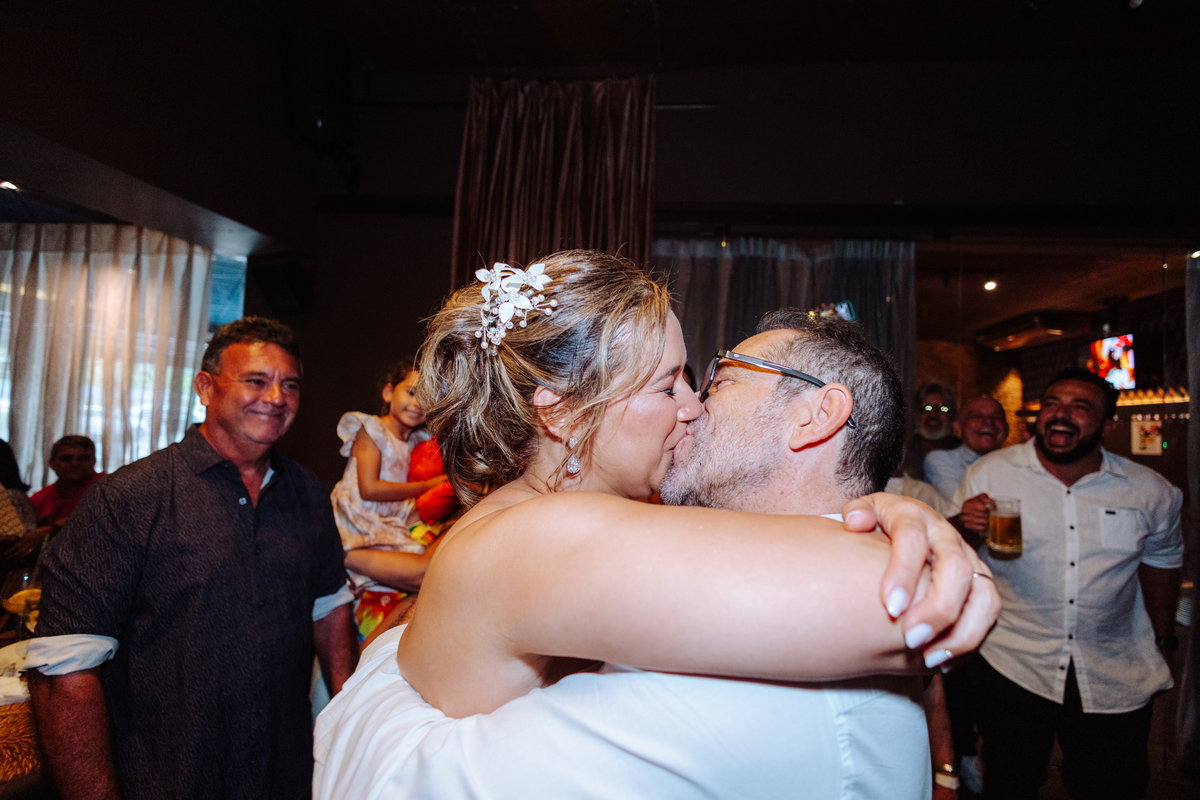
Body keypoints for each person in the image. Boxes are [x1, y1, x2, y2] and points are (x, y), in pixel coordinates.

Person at [314, 252, 1000, 797]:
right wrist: (918, 543)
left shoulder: (571, 522)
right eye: (668, 384)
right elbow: (902, 596)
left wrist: (878, 507)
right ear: (560, 412)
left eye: (707, 382)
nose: (690, 407)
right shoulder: (539, 535)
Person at [26, 317, 359, 800]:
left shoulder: (307, 491)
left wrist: (347, 723)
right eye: (256, 381)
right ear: (205, 387)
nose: (276, 397)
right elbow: (64, 669)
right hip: (168, 775)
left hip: (283, 772)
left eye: (289, 384)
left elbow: (329, 606)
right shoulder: (129, 498)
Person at [954, 367, 1183, 800]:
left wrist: (1164, 636)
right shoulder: (990, 473)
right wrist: (963, 524)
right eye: (1053, 403)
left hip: (1114, 668)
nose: (1062, 415)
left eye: (1081, 407)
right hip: (1013, 662)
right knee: (1009, 782)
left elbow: (1162, 562)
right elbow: (954, 551)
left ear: (1108, 426)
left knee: (1112, 785)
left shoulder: (1150, 491)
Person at [330, 357, 450, 641]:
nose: (417, 402)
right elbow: (370, 489)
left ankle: (370, 650)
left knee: (422, 574)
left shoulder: (417, 440)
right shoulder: (371, 429)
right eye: (410, 392)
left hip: (386, 521)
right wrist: (430, 485)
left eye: (427, 396)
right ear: (388, 393)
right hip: (360, 518)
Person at [925, 395, 1009, 502]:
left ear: (1006, 430)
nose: (988, 421)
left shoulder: (1017, 464)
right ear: (958, 428)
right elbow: (962, 504)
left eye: (997, 417)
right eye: (976, 416)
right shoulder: (941, 460)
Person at [29, 435, 102, 527]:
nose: (75, 463)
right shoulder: (39, 500)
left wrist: (52, 529)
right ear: (51, 463)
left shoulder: (110, 489)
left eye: (83, 458)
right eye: (66, 459)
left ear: (94, 461)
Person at [904, 380, 960, 480]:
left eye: (942, 408)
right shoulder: (903, 454)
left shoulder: (963, 453)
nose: (933, 414)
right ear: (915, 415)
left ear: (953, 415)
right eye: (926, 407)